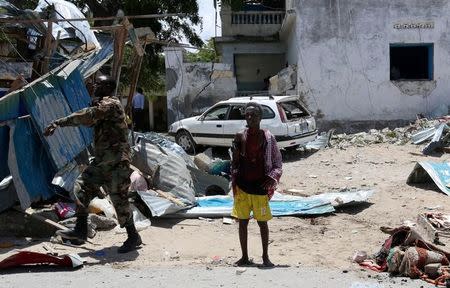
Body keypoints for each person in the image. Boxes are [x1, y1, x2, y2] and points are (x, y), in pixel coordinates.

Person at [43, 75, 142, 254]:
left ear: (107, 87)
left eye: (98, 83)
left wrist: (59, 122)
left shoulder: (110, 104)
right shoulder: (101, 104)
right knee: (81, 188)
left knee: (119, 199)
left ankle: (133, 236)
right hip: (102, 161)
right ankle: (80, 230)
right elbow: (92, 116)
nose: (94, 85)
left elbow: (88, 116)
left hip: (116, 162)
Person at [230, 102, 283, 267]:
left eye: (253, 115)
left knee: (262, 223)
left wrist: (272, 177)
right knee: (243, 222)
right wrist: (236, 156)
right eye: (247, 115)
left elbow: (277, 163)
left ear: (260, 117)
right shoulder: (240, 136)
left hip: (260, 187)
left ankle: (265, 257)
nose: (250, 118)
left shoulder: (268, 138)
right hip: (243, 186)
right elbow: (235, 163)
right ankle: (244, 257)